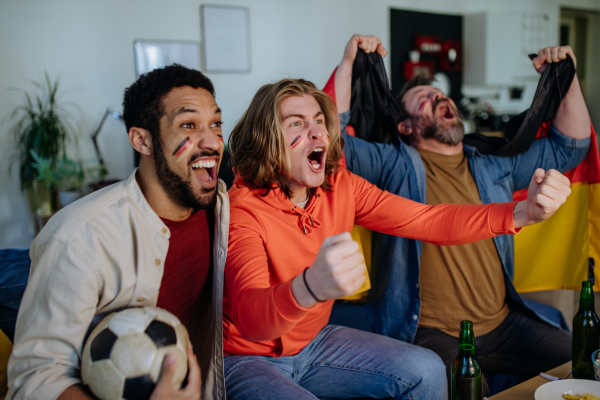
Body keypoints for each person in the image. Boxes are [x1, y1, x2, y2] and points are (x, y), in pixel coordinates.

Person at [221, 77, 571, 399]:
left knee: (426, 370)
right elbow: (252, 320)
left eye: (318, 121)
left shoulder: (340, 185)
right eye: (296, 123)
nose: (316, 133)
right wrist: (309, 287)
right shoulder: (243, 208)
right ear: (267, 137)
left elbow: (427, 219)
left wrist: (520, 213)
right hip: (247, 358)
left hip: (316, 343)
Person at [327, 34, 592, 392]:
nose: (439, 97)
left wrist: (568, 76)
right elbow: (330, 143)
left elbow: (571, 148)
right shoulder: (393, 163)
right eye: (425, 99)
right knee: (469, 391)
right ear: (405, 127)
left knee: (584, 362)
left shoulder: (492, 163)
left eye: (441, 95)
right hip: (428, 329)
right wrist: (347, 66)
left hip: (504, 323)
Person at [7, 65, 227, 400]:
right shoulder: (78, 237)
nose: (212, 141)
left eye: (215, 124)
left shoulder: (225, 207)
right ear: (142, 140)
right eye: (188, 125)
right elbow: (35, 379)